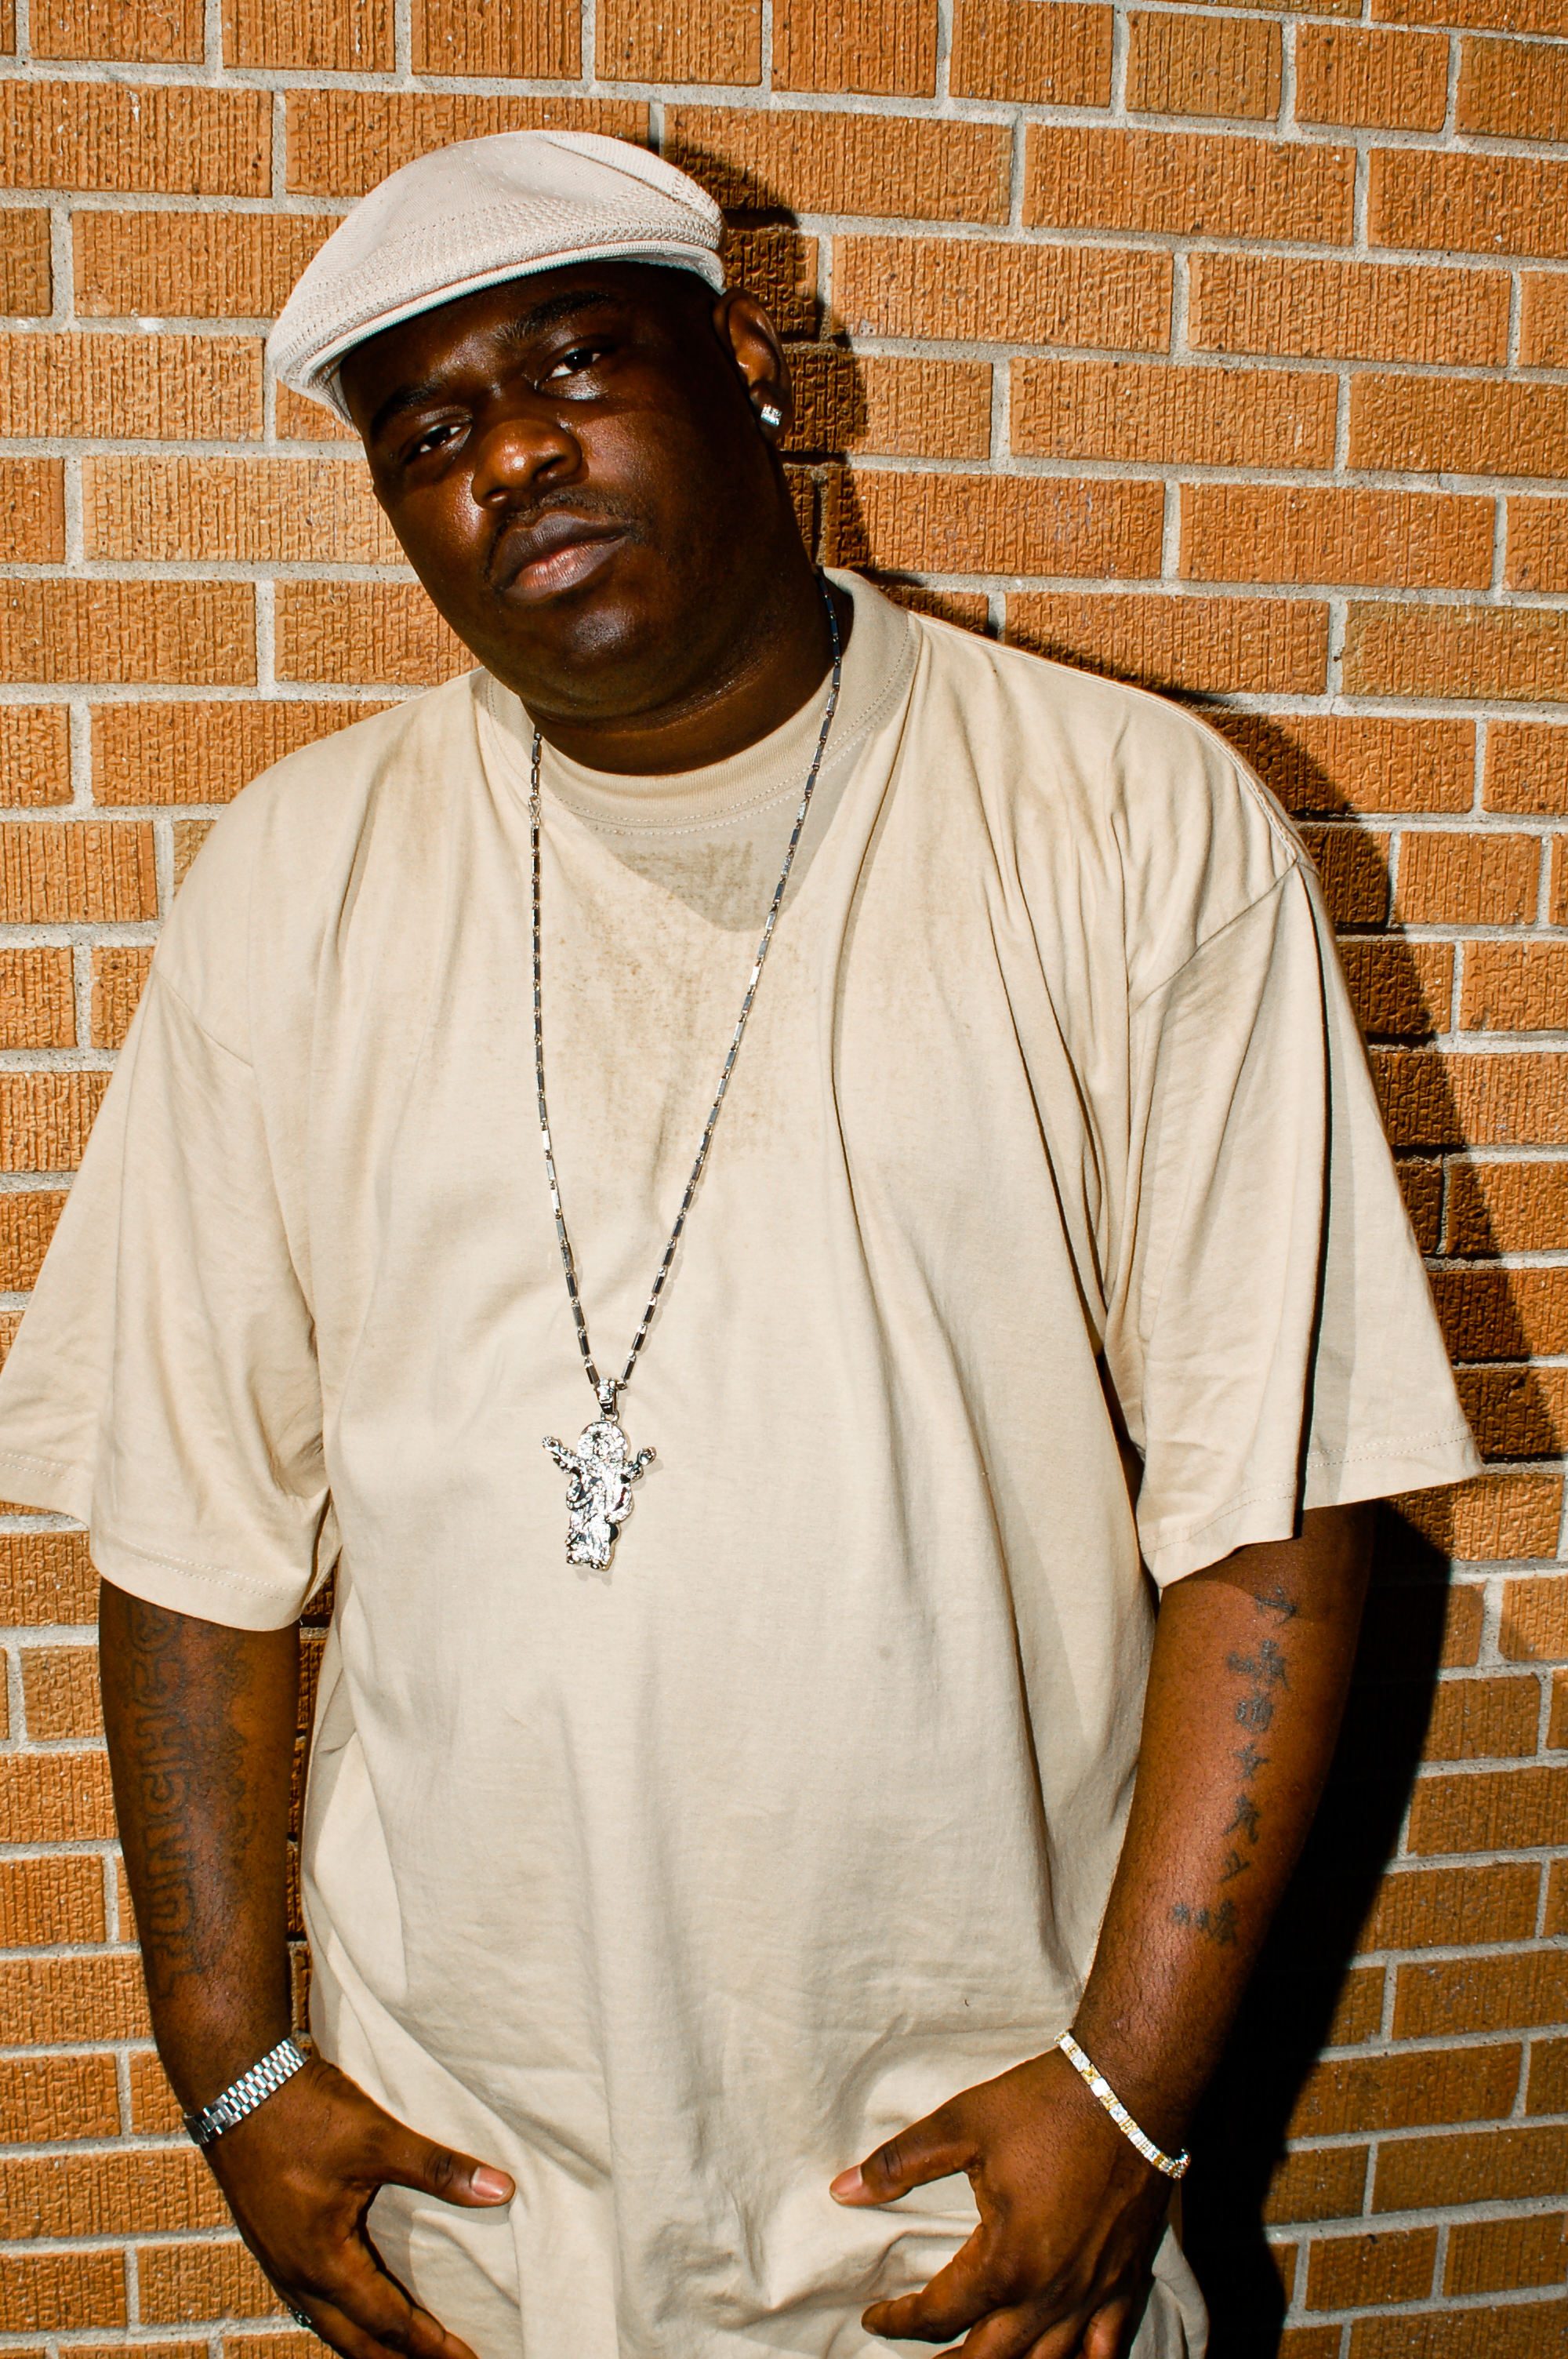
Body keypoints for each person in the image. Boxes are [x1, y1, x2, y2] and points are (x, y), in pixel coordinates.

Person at [0, 132, 1478, 2359]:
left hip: (970, 2215)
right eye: (427, 434)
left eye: (575, 363)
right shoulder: (292, 878)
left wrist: (1130, 2100)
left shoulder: (1125, 820)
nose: (511, 454)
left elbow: (1268, 1508)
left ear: (759, 374)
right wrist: (228, 2067)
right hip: (474, 2203)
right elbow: (189, 1521)